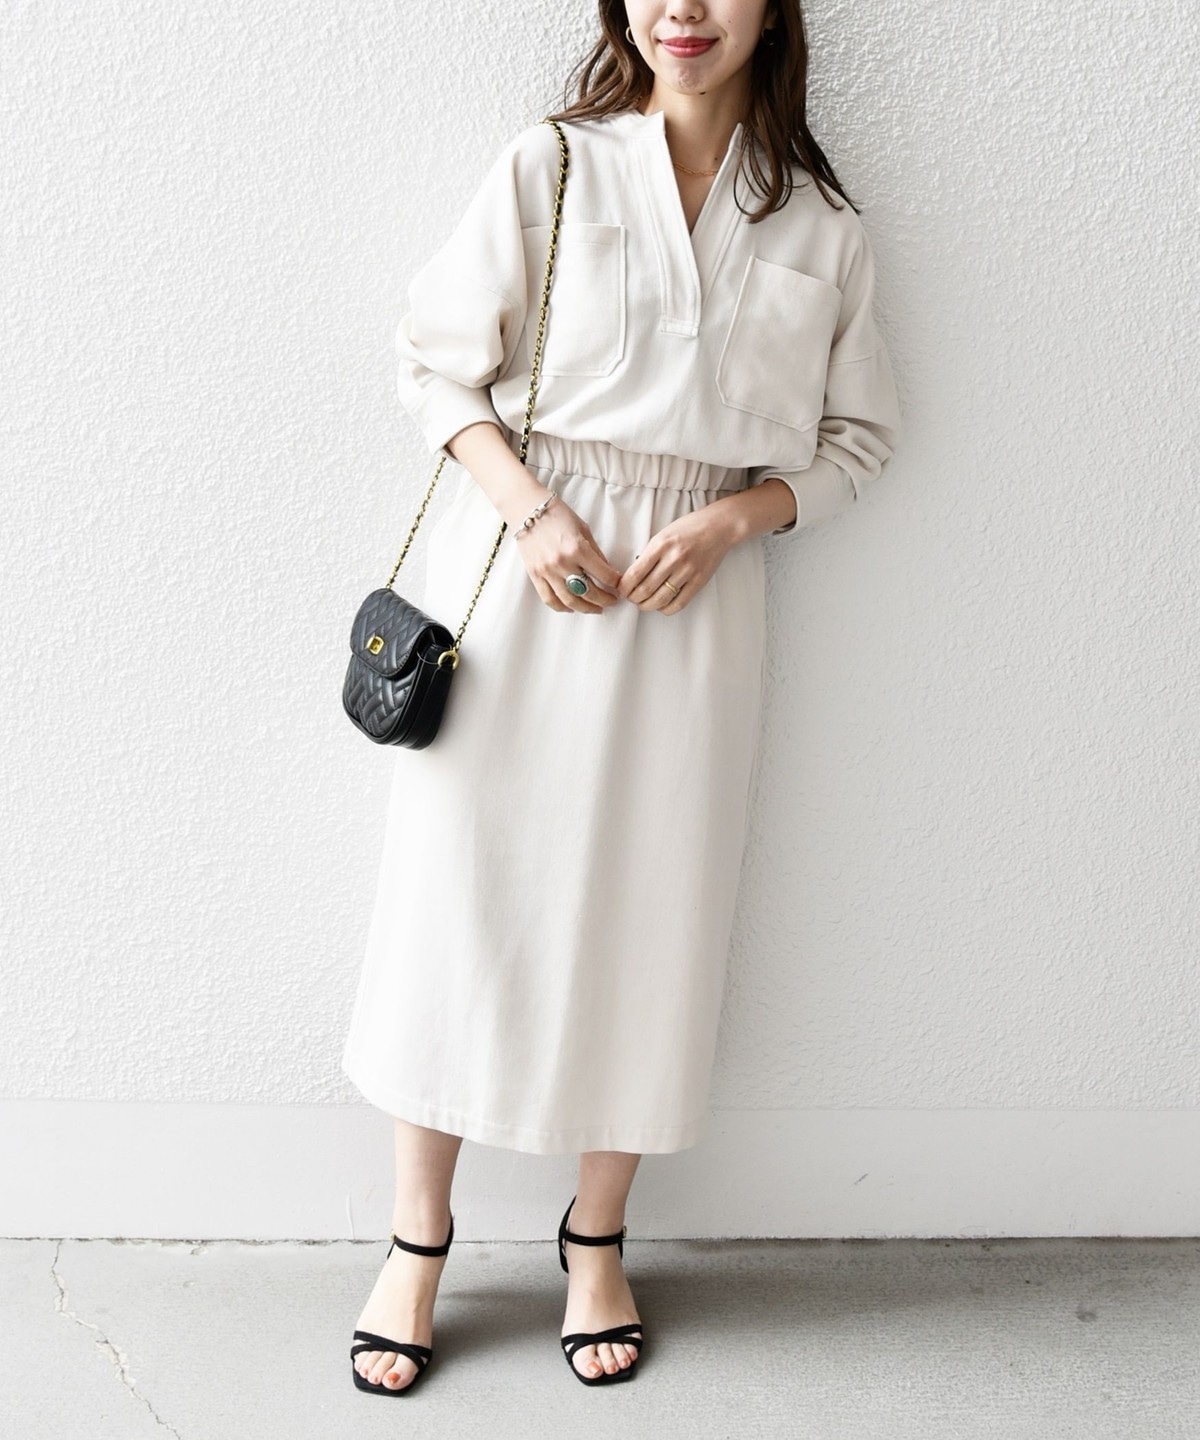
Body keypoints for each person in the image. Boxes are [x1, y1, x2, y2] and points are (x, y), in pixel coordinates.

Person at [343, 0, 901, 1395]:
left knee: (655, 913)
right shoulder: (555, 162)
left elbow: (859, 442)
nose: (684, 9)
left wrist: (735, 519)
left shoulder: (822, 225)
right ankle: (416, 1241)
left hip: (690, 611)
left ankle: (596, 1237)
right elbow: (434, 363)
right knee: (458, 896)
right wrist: (531, 513)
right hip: (523, 583)